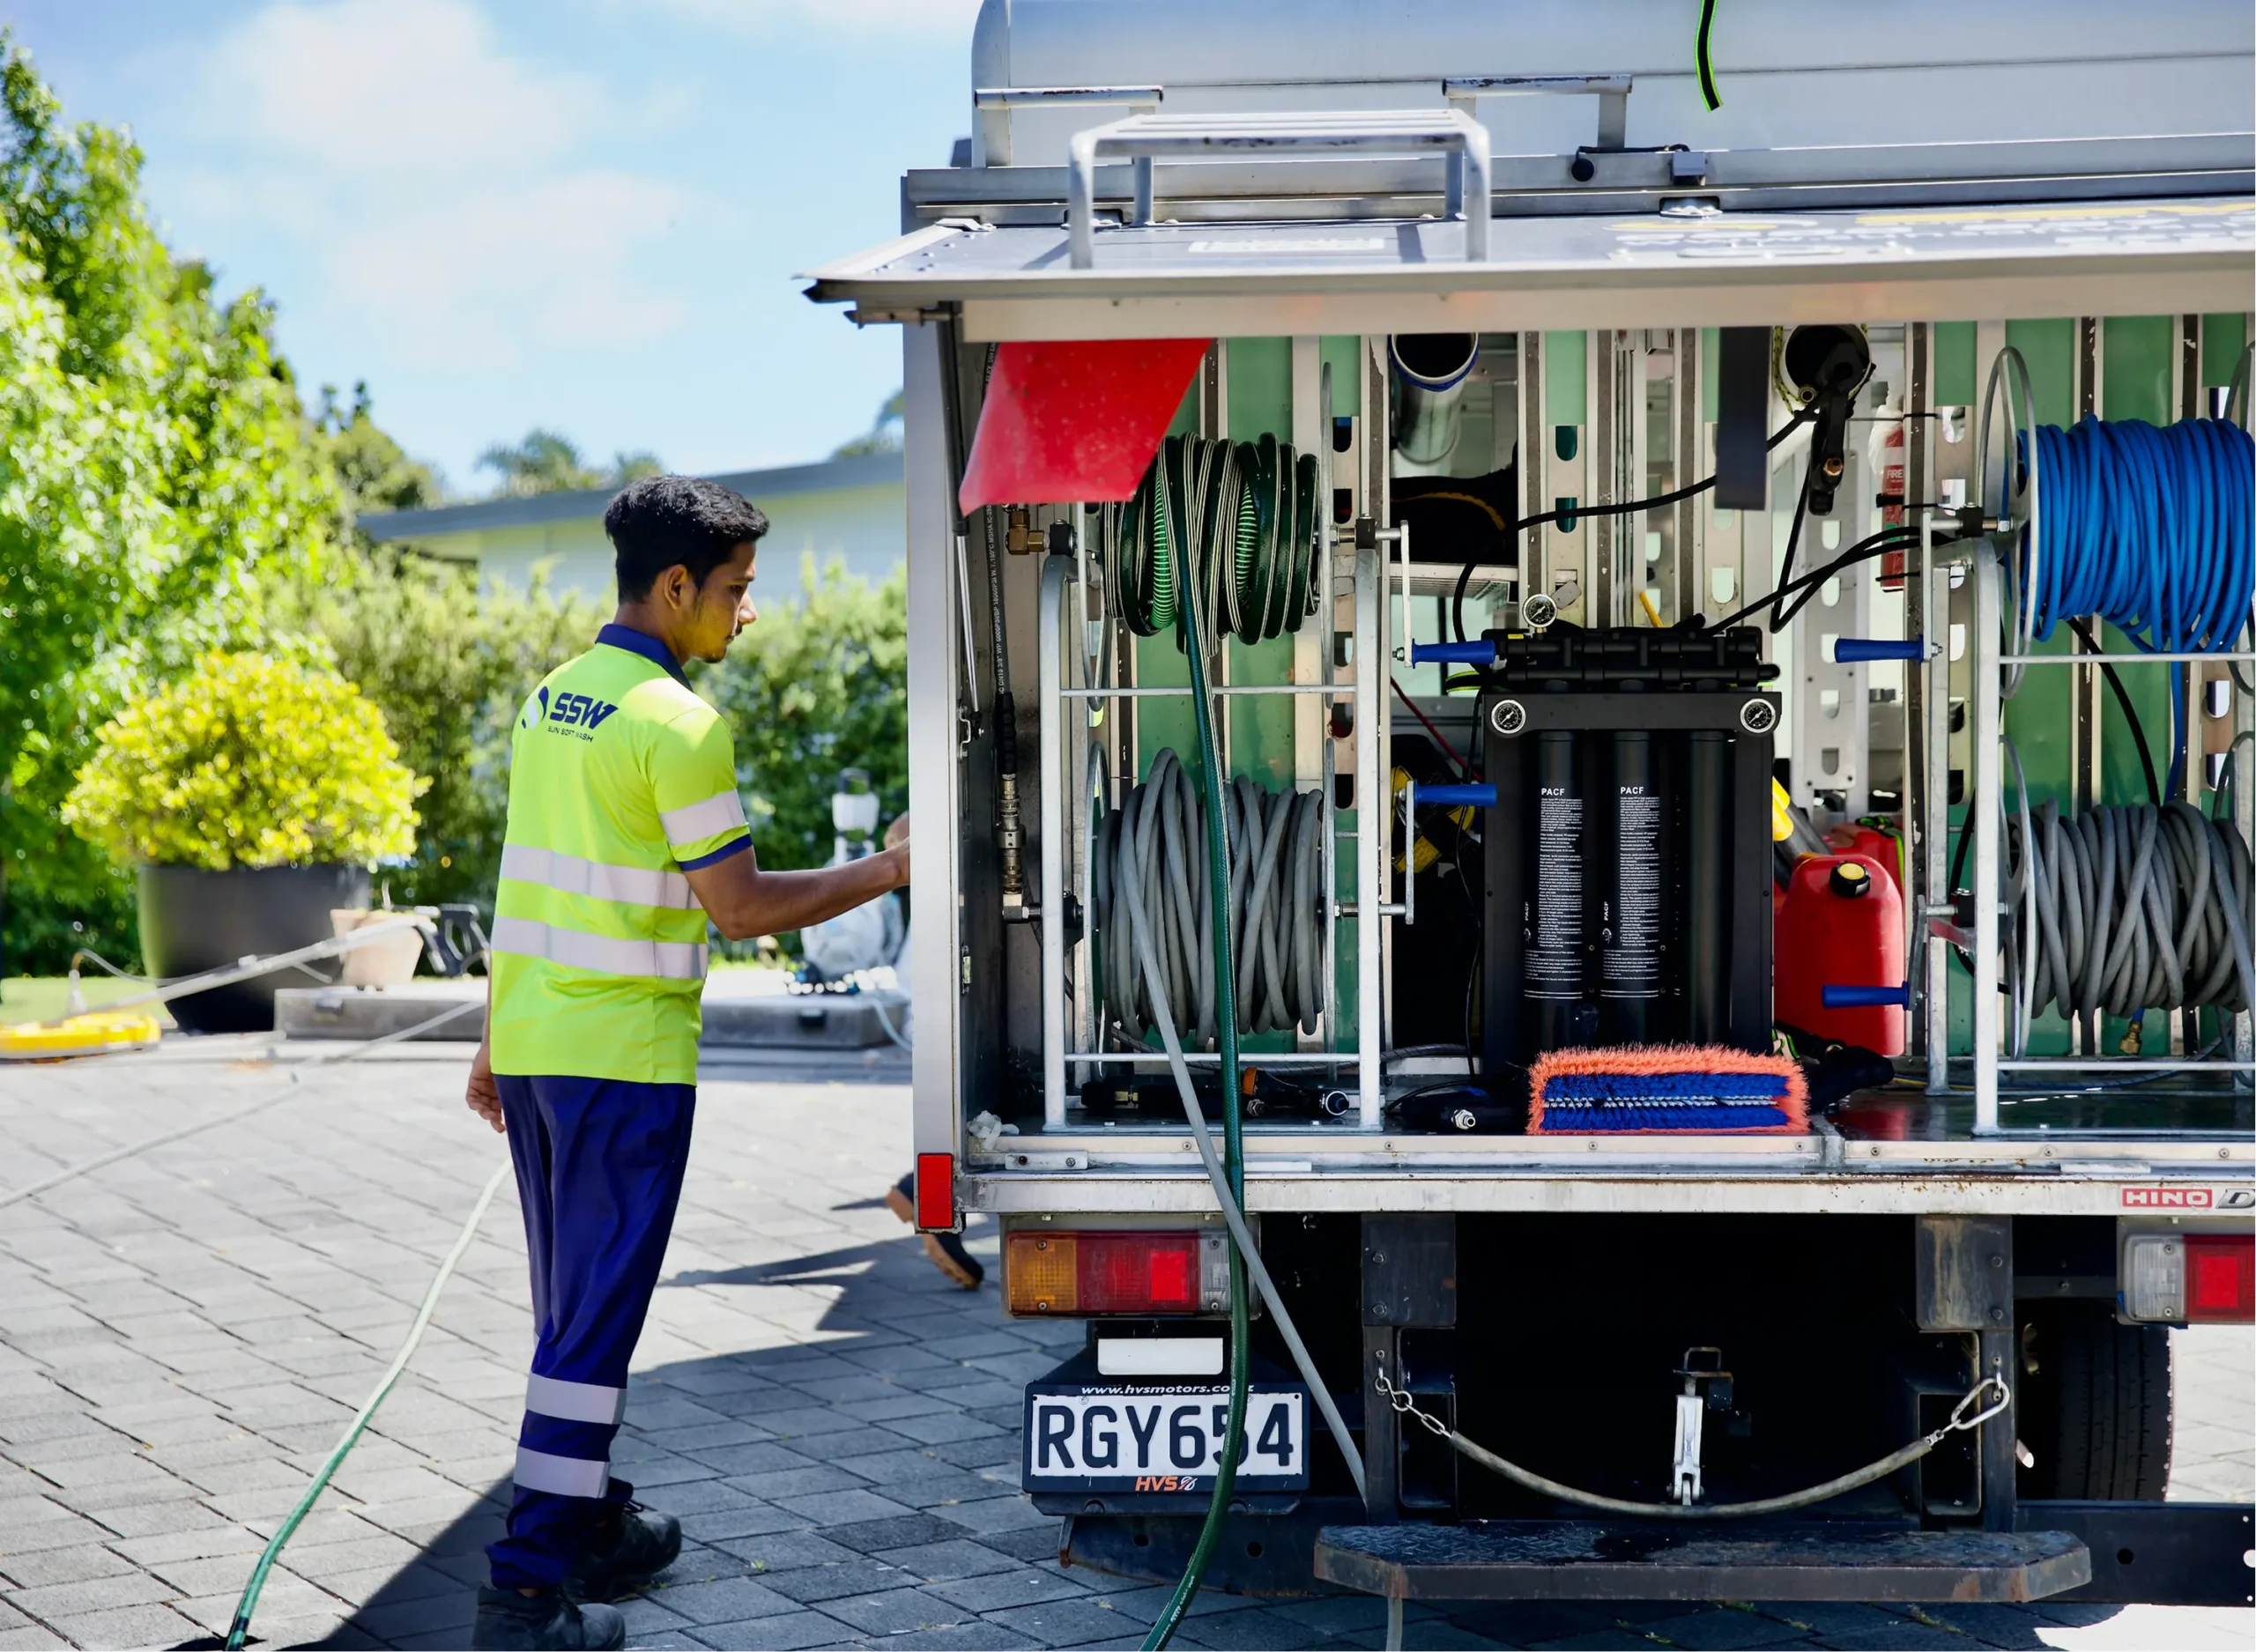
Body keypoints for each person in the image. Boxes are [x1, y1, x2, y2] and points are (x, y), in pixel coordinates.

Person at [463, 475, 909, 1651]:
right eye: (734, 591)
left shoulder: (551, 700)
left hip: (546, 1058)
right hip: (625, 1068)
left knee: (572, 1306)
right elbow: (744, 904)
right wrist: (889, 868)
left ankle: (588, 1515)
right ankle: (523, 1589)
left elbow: (523, 879)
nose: (744, 614)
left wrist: (494, 1039)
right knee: (591, 1329)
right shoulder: (678, 723)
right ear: (674, 588)